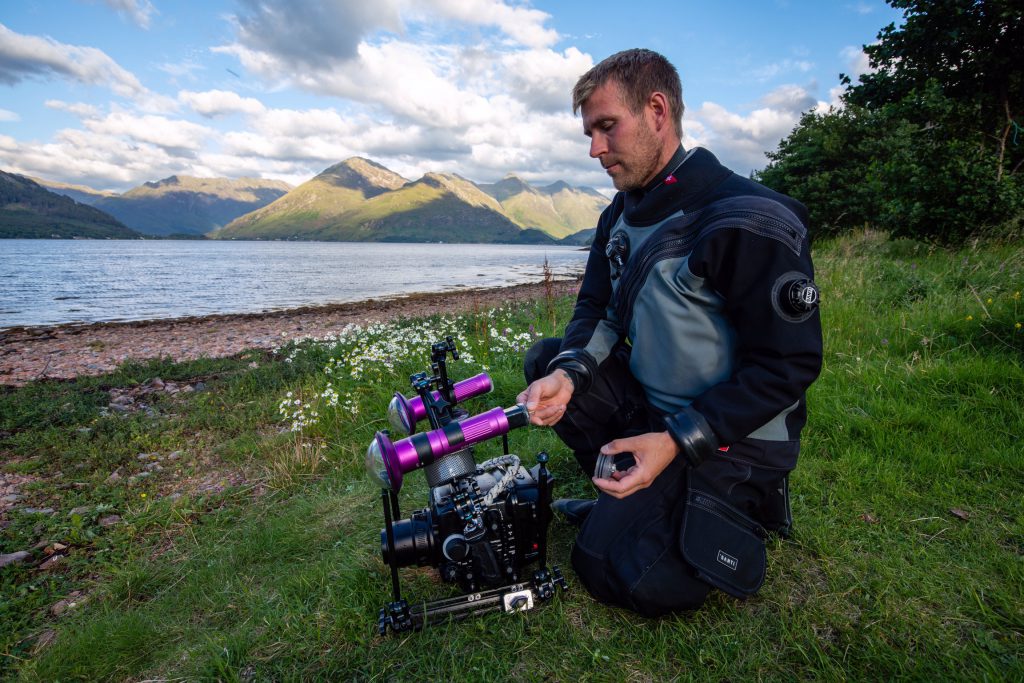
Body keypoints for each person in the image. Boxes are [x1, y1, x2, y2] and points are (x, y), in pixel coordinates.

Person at [517, 48, 823, 616]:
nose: (595, 149)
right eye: (589, 132)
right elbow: (597, 311)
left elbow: (788, 367)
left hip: (736, 434)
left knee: (622, 574)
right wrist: (569, 375)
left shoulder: (750, 219)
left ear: (657, 110)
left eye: (607, 127)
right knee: (548, 362)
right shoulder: (619, 213)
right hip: (651, 413)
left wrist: (678, 441)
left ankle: (739, 503)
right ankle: (631, 490)